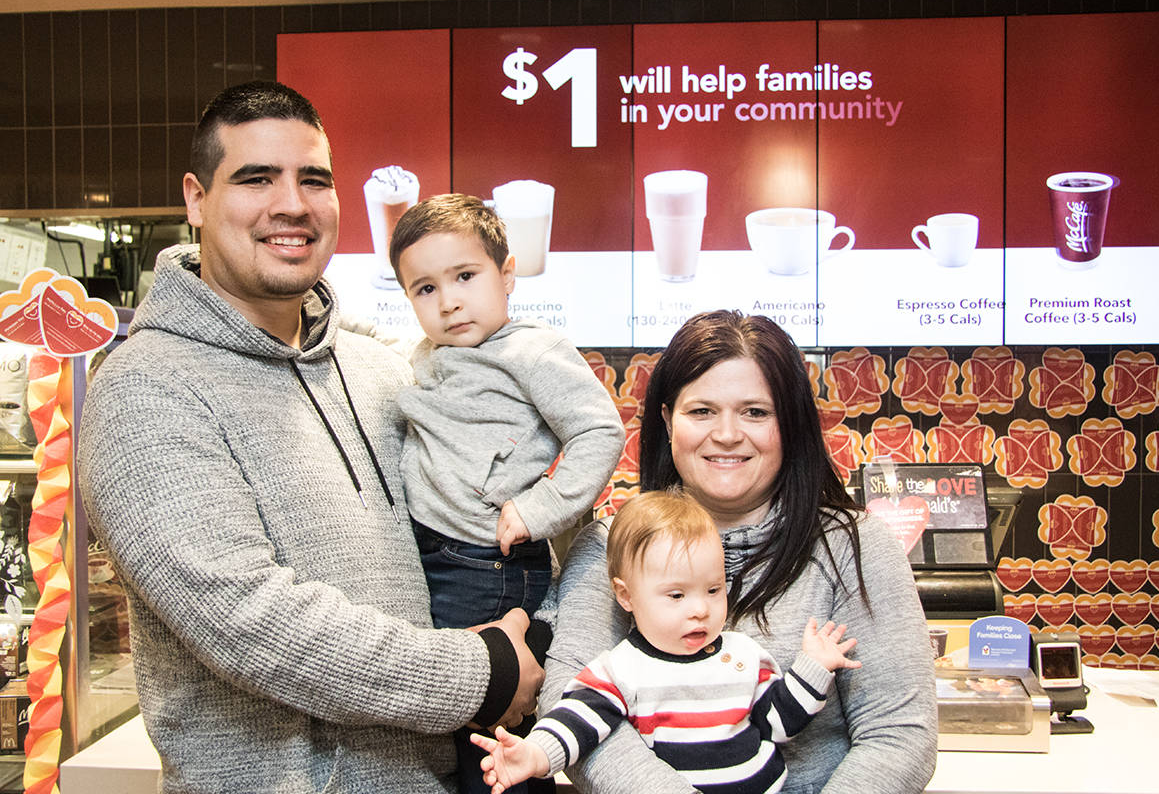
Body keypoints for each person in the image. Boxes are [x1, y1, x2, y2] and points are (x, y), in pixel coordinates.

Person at [76, 81, 543, 794]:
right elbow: (251, 622)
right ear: (197, 198)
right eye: (256, 178)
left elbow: (489, 506)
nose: (291, 203)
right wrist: (486, 672)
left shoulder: (384, 368)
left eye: (313, 179)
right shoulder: (146, 387)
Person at [543, 310, 938, 793]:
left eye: (755, 412)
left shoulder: (853, 545)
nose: (727, 434)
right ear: (668, 421)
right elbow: (570, 706)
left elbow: (897, 735)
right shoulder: (609, 548)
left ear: (788, 425)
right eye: (701, 410)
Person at [387, 193, 625, 793]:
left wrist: (539, 507)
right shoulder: (432, 353)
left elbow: (599, 429)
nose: (450, 301)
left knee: (490, 736)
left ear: (508, 273)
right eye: (425, 289)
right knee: (445, 719)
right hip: (434, 557)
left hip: (487, 567)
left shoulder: (532, 348)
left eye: (465, 276)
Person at [472, 488, 862, 794]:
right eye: (676, 596)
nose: (700, 610)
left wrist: (813, 668)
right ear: (626, 596)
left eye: (713, 589)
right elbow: (576, 722)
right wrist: (534, 754)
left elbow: (778, 723)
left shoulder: (745, 655)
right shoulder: (620, 669)